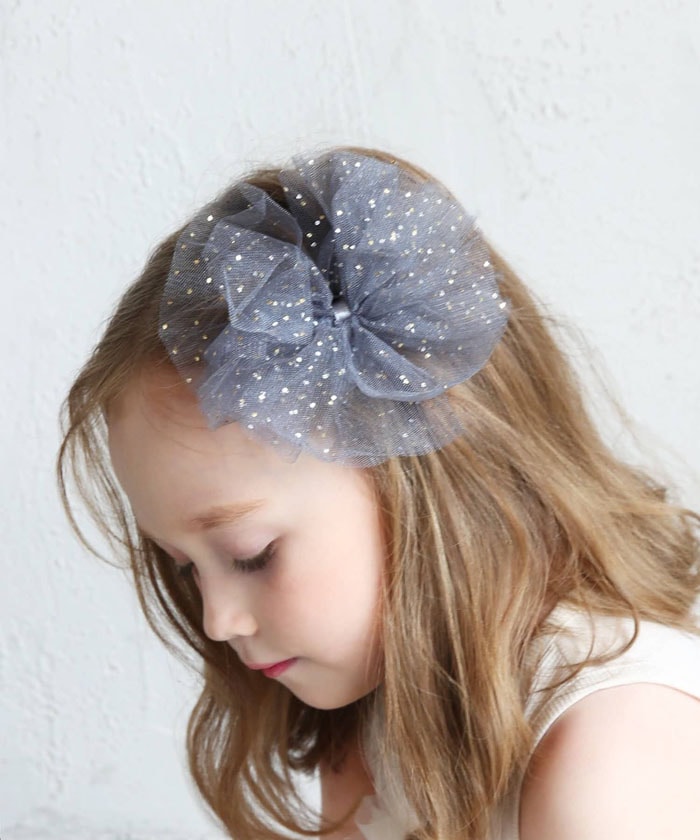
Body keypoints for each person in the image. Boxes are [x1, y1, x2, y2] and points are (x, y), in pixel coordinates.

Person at [57, 146, 700, 840]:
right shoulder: (383, 713)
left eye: (251, 554)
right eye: (185, 566)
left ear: (424, 472)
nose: (217, 621)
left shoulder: (613, 749)